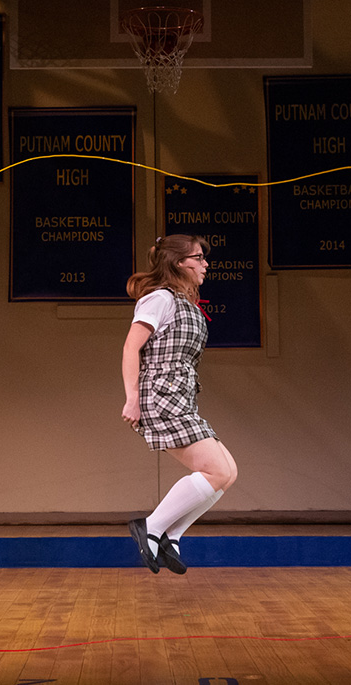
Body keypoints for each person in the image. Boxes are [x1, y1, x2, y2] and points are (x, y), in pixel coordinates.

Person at [119, 234, 236, 575]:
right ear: (179, 263)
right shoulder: (159, 299)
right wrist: (132, 398)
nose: (205, 264)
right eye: (199, 258)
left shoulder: (184, 303)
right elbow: (131, 348)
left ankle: (172, 535)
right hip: (161, 397)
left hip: (180, 397)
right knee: (216, 470)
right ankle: (151, 528)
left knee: (228, 473)